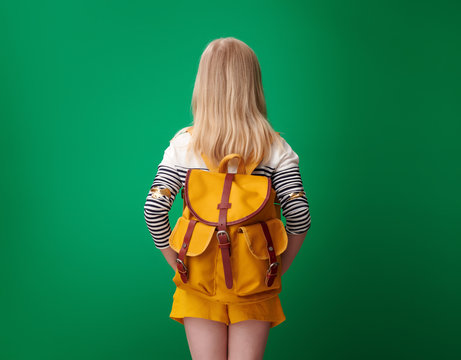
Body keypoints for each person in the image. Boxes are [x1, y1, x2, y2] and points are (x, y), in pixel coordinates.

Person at [144, 37, 311, 360]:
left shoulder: (183, 145)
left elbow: (154, 209)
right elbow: (300, 215)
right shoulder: (276, 149)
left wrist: (180, 263)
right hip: (255, 280)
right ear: (252, 84)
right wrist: (276, 269)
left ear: (203, 84)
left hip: (198, 279)